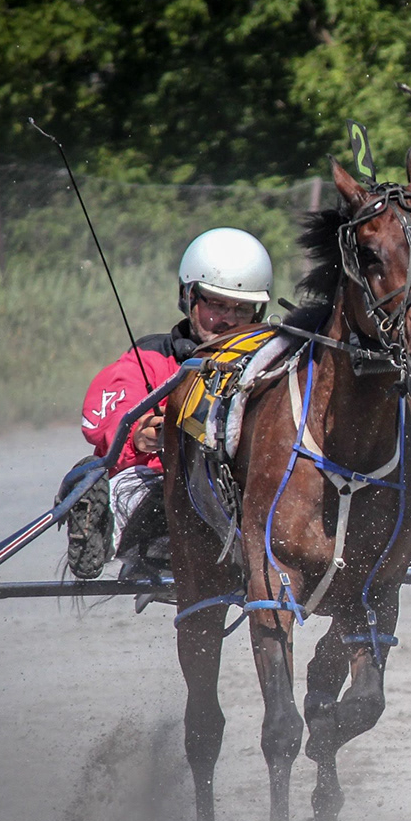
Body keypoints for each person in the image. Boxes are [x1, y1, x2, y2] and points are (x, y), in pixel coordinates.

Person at [66, 227, 274, 579]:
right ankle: (99, 526)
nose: (227, 319)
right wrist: (137, 436)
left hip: (245, 493)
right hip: (164, 488)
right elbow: (110, 417)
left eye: (241, 309)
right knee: (107, 481)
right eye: (216, 304)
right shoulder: (149, 358)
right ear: (189, 296)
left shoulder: (272, 366)